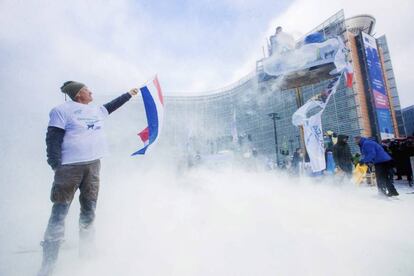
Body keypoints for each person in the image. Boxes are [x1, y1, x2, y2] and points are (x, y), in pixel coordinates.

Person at [38, 81, 138, 276]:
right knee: (60, 212)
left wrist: (129, 94)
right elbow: (53, 138)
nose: (91, 91)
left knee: (89, 210)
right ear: (78, 95)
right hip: (69, 168)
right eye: (86, 89)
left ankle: (87, 255)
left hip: (93, 166)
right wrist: (56, 164)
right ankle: (48, 265)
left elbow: (112, 106)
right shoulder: (61, 111)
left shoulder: (95, 110)